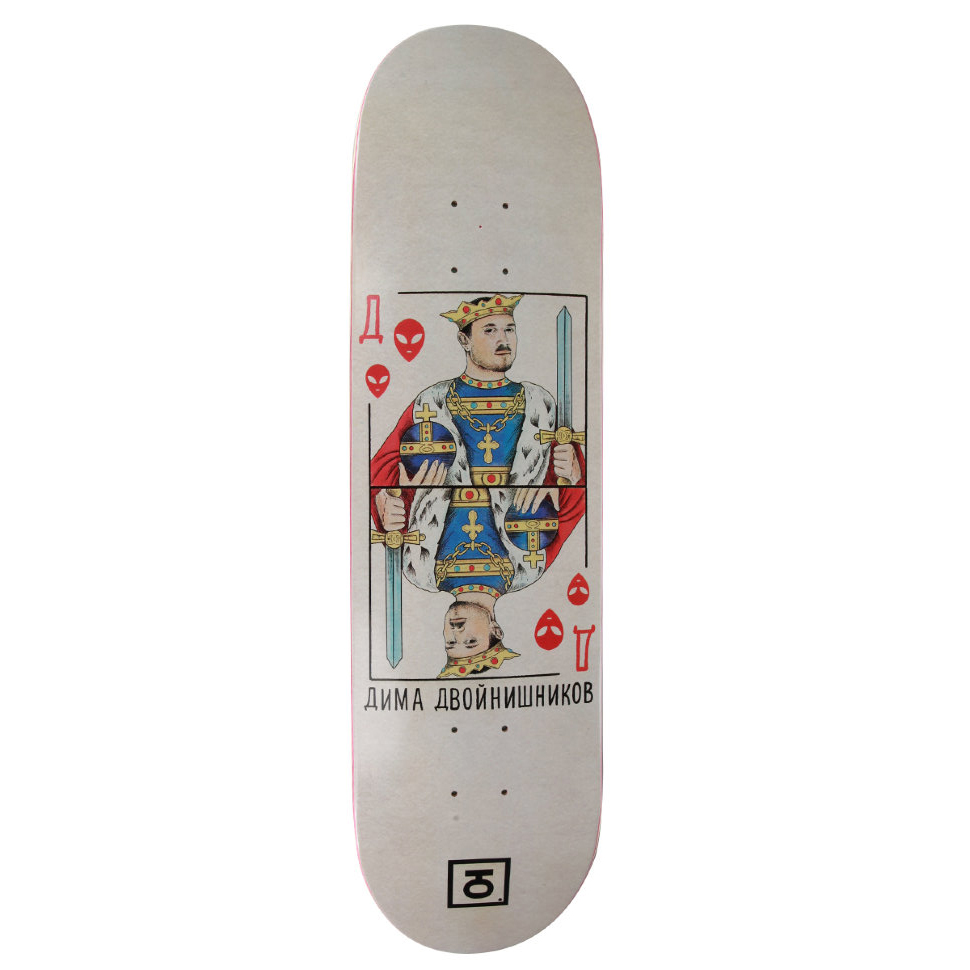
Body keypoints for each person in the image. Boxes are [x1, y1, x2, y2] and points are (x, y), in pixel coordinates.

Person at [369, 294, 586, 676]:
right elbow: (568, 511)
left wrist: (389, 508)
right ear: (464, 340)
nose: (504, 339)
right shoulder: (528, 569)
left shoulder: (417, 570)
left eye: (510, 329)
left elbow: (384, 482)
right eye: (490, 330)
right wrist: (573, 477)